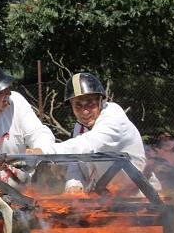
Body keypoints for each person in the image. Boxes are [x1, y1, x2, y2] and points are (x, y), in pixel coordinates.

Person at [27, 72, 160, 192]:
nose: (85, 111)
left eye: (90, 103)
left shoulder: (113, 117)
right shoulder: (79, 127)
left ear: (100, 101)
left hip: (141, 197)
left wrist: (44, 151)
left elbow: (88, 144)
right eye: (78, 105)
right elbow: (76, 163)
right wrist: (73, 185)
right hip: (107, 201)